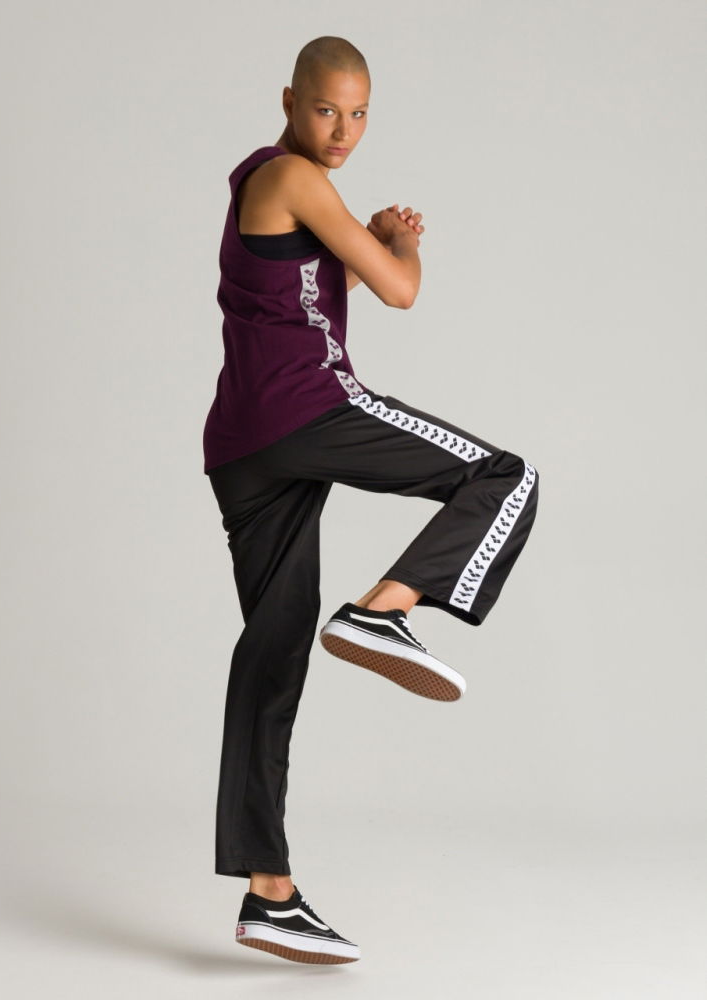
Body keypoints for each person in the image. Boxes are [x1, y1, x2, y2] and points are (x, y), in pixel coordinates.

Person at [202, 36, 539, 965]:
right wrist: (402, 242)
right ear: (289, 101)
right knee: (504, 477)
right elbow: (401, 291)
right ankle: (384, 610)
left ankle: (270, 893)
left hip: (242, 444)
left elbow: (308, 288)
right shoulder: (295, 177)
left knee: (273, 652)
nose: (342, 132)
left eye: (358, 115)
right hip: (309, 408)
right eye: (326, 110)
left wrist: (369, 240)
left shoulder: (259, 185)